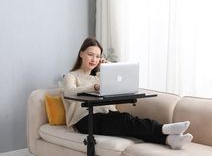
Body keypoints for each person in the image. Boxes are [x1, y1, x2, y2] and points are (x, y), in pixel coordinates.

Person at [62, 37, 193, 149]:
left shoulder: (97, 76)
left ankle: (169, 140)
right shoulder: (72, 76)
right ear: (81, 54)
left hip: (105, 114)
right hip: (84, 120)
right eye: (90, 54)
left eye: (97, 56)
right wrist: (94, 86)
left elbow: (118, 85)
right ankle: (163, 128)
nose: (94, 59)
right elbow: (69, 92)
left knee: (131, 124)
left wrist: (108, 67)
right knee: (125, 120)